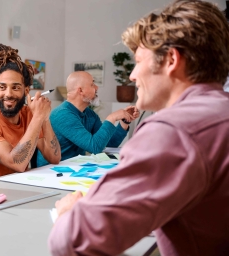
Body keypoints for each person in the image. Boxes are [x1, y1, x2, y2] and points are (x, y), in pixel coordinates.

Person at [48, 1, 229, 255]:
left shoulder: (172, 130)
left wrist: (69, 214)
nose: (132, 76)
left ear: (170, 59)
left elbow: (76, 242)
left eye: (138, 61)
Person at [0, 44, 61, 180]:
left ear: (26, 91)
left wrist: (44, 117)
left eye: (15, 87)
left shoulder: (30, 114)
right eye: (2, 87)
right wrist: (38, 117)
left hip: (20, 186)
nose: (8, 94)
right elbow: (17, 163)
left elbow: (54, 157)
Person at [37, 71, 139, 166]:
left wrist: (124, 121)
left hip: (73, 167)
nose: (97, 87)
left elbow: (108, 143)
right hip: (50, 171)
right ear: (80, 90)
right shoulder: (63, 115)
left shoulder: (89, 114)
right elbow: (94, 147)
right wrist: (112, 118)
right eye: (92, 84)